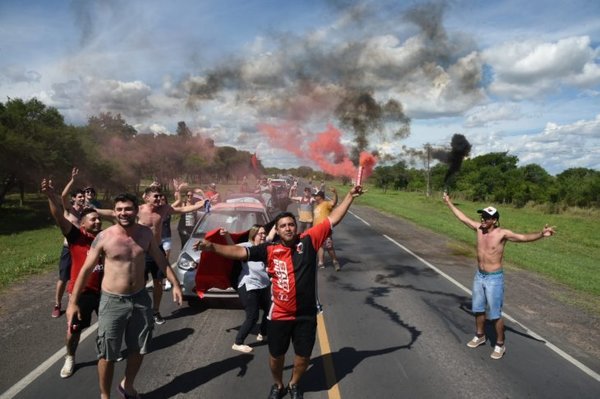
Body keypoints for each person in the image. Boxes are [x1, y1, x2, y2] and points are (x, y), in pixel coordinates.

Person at [194, 185, 364, 399]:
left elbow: (333, 219)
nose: (288, 228)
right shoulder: (269, 249)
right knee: (277, 357)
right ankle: (278, 384)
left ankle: (294, 384)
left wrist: (349, 196)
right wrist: (212, 248)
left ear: (296, 227)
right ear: (278, 229)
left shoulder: (309, 241)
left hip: (306, 314)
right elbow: (239, 251)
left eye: (291, 224)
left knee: (303, 357)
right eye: (283, 225)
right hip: (279, 315)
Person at [66, 193, 183, 399]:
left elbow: (160, 260)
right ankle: (105, 395)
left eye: (128, 209)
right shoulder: (105, 237)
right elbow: (85, 270)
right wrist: (72, 303)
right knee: (107, 353)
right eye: (119, 209)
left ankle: (127, 385)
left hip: (139, 299)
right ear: (114, 212)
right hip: (113, 301)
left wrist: (175, 283)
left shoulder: (146, 234)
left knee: (139, 347)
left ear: (136, 211)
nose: (123, 213)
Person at [443, 193, 556, 360]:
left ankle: (500, 344)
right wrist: (449, 203)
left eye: (487, 218)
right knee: (478, 309)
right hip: (479, 276)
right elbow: (463, 218)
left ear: (494, 220)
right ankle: (480, 335)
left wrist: (541, 234)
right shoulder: (479, 229)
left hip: (494, 278)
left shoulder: (502, 234)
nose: (483, 220)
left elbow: (523, 237)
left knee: (495, 314)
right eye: (482, 216)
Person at [42, 178, 104, 378]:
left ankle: (104, 352)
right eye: (92, 219)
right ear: (83, 223)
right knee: (74, 330)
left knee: (107, 326)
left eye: (98, 218)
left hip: (105, 292)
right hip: (81, 293)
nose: (97, 221)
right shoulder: (77, 237)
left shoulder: (106, 238)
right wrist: (51, 197)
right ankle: (70, 357)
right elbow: (60, 218)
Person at [226, 225, 273, 354]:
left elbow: (273, 231)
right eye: (261, 233)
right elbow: (232, 249)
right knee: (253, 316)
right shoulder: (247, 245)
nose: (263, 235)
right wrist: (226, 235)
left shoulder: (266, 246)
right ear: (254, 235)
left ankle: (262, 333)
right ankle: (238, 342)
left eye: (264, 233)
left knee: (270, 311)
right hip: (248, 285)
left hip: (264, 284)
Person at [52, 167, 86, 318]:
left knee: (79, 276)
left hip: (81, 248)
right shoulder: (69, 210)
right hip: (68, 248)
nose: (82, 198)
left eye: (83, 196)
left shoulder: (84, 212)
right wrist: (73, 180)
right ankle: (57, 305)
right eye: (79, 196)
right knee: (63, 278)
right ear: (74, 199)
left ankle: (75, 302)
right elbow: (64, 195)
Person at [312, 188, 341, 271]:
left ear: (320, 197)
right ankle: (321, 262)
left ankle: (335, 261)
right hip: (317, 230)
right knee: (320, 246)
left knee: (329, 247)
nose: (314, 197)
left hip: (325, 230)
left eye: (316, 196)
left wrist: (335, 193)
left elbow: (333, 203)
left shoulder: (326, 204)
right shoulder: (316, 206)